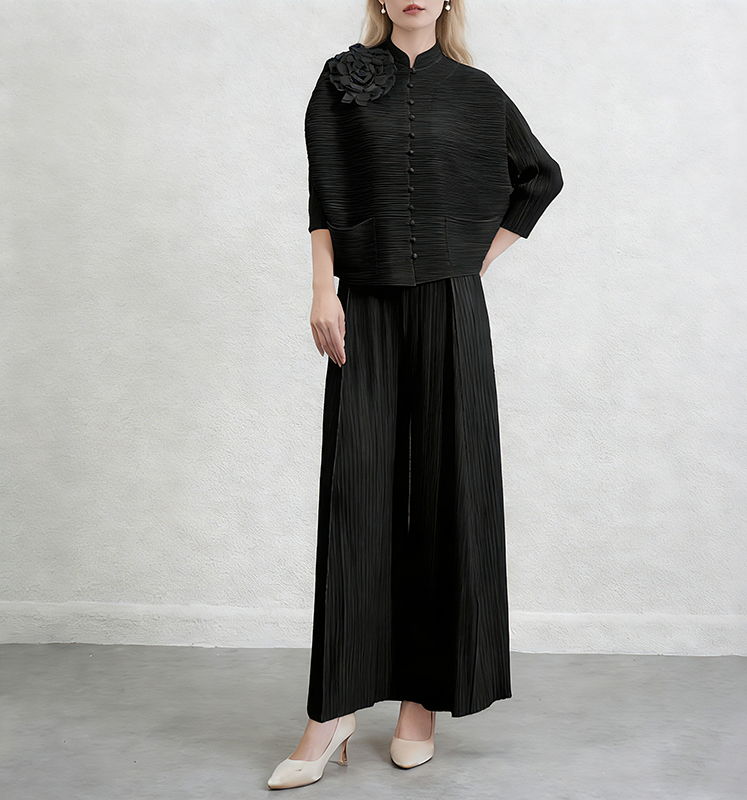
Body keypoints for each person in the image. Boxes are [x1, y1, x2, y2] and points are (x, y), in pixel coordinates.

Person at [268, 0, 563, 789]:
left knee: (444, 491)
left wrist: (475, 256)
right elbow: (325, 195)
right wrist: (322, 291)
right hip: (363, 302)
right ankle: (330, 716)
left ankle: (421, 704)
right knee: (356, 495)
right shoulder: (341, 81)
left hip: (450, 305)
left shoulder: (477, 92)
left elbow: (540, 177)